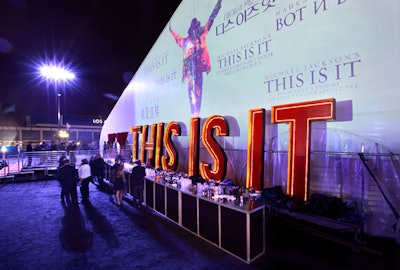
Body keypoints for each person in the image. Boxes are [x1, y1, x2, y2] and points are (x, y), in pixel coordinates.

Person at [169, 0, 222, 117]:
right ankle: (194, 114)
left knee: (197, 92)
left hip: (198, 69)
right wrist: (170, 30)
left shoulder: (201, 34)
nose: (195, 30)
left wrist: (217, 6)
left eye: (196, 27)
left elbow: (211, 20)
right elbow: (177, 38)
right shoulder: (186, 41)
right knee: (191, 93)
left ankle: (196, 114)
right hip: (189, 71)